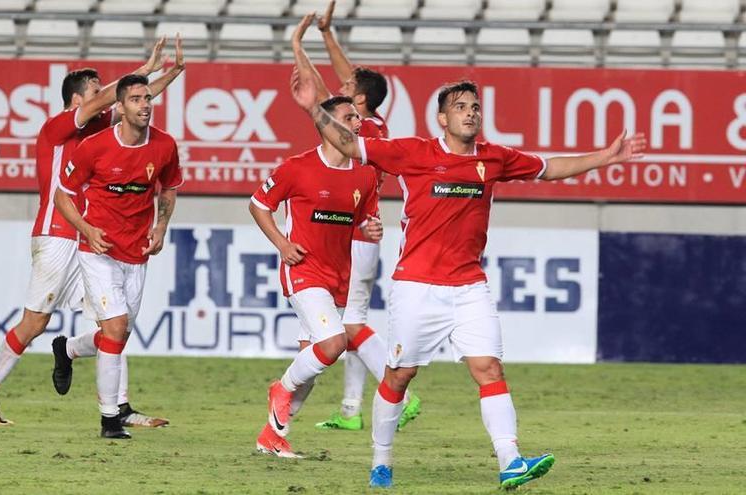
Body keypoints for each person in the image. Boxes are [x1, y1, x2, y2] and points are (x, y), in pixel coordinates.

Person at [289, 64, 646, 488]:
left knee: (489, 369)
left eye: (475, 106)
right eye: (460, 107)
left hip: (469, 286)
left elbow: (549, 167)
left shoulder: (493, 158)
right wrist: (315, 108)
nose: (470, 113)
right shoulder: (414, 153)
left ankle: (510, 460)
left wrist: (607, 157)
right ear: (442, 118)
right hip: (417, 287)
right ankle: (381, 461)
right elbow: (349, 143)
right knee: (399, 376)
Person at [0, 37, 184, 429]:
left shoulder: (105, 126)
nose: (104, 96)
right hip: (57, 232)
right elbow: (113, 97)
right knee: (35, 322)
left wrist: (169, 74)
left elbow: (134, 99)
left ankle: (116, 404)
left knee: (116, 324)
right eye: (95, 88)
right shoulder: (56, 128)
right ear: (76, 100)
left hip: (92, 239)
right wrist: (146, 66)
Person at [295, 5, 422, 432]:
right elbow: (348, 77)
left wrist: (298, 47)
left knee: (351, 325)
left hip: (356, 233)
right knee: (351, 324)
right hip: (358, 234)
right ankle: (351, 408)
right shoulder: (374, 121)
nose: (341, 87)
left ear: (358, 101)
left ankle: (400, 393)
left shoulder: (357, 131)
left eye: (348, 89)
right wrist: (329, 35)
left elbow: (317, 91)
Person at [250, 93, 383, 457]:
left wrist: (369, 230)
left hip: (338, 276)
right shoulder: (297, 167)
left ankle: (272, 435)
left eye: (359, 116)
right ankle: (279, 388)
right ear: (327, 125)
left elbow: (360, 220)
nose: (358, 122)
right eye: (348, 117)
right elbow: (259, 205)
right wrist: (282, 243)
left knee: (312, 361)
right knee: (334, 345)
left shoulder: (366, 174)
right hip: (303, 270)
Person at [53, 73, 183, 439]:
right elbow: (63, 195)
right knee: (113, 328)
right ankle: (110, 419)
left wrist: (161, 227)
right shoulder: (93, 147)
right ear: (121, 107)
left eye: (148, 98)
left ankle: (68, 348)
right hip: (98, 251)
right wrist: (87, 229)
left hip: (136, 253)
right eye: (137, 99)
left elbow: (169, 188)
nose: (145, 104)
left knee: (117, 335)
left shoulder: (164, 146)